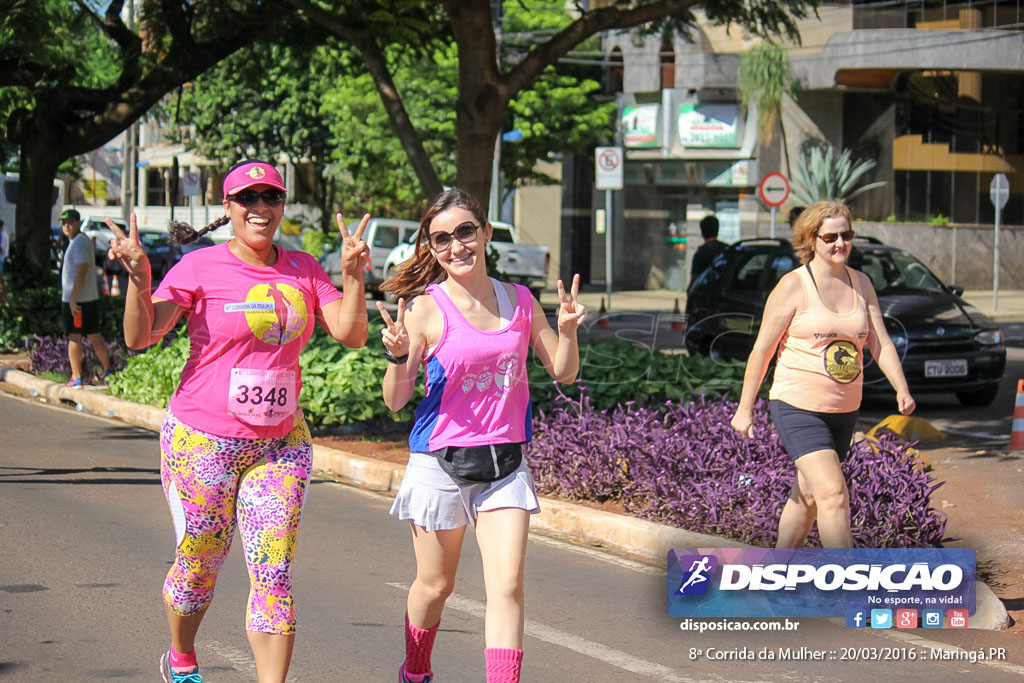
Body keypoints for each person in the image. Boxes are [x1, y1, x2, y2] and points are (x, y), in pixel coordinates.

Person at [105, 160, 371, 683]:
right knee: (201, 561)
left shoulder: (304, 268)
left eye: (270, 197)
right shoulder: (199, 267)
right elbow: (141, 337)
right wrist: (139, 280)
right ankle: (180, 656)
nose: (260, 208)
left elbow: (351, 333)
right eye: (247, 199)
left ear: (281, 205)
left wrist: (353, 276)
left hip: (280, 445)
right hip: (201, 440)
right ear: (227, 208)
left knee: (273, 571)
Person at [377, 188, 586, 683]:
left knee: (508, 585)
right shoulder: (424, 310)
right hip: (439, 463)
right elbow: (395, 400)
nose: (456, 246)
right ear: (430, 248)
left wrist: (570, 330)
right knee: (435, 584)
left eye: (465, 232)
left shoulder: (520, 301)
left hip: (504, 464)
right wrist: (397, 356)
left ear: (486, 233)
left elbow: (563, 370)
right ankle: (416, 669)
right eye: (441, 238)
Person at [729, 199, 915, 549]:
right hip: (797, 405)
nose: (839, 243)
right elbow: (762, 350)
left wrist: (901, 389)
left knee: (810, 496)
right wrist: (745, 408)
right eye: (830, 237)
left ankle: (778, 572)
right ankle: (845, 589)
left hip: (844, 409)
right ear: (811, 239)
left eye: (846, 235)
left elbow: (881, 343)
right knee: (833, 494)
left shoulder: (861, 283)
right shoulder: (794, 285)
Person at [59, 209, 112, 387]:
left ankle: (76, 377)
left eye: (70, 222)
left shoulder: (79, 243)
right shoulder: (80, 241)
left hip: (76, 301)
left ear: (78, 223)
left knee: (74, 338)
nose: (66, 225)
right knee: (94, 336)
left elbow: (81, 272)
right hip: (89, 298)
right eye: (64, 222)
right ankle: (108, 372)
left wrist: (73, 298)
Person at [690, 214, 728, 282]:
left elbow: (694, 281)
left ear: (702, 232)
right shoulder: (728, 250)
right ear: (717, 230)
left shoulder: (700, 254)